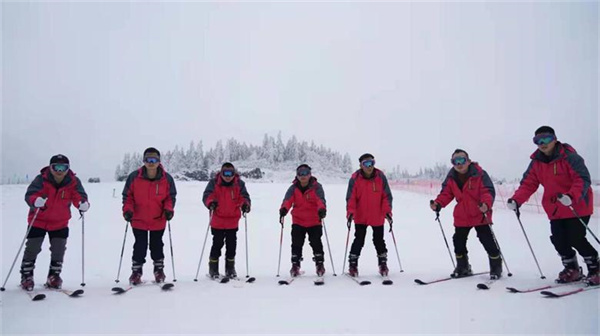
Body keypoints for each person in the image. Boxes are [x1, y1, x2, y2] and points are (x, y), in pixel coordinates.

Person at [508, 126, 598, 286]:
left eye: (546, 139)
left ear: (555, 139)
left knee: (575, 237)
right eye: (538, 141)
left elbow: (582, 179)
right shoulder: (536, 162)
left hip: (576, 205)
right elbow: (528, 183)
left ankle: (596, 268)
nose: (542, 143)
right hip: (555, 208)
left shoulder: (570, 157)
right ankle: (572, 269)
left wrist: (571, 196)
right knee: (558, 239)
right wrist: (517, 200)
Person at [20, 154, 90, 290]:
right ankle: (26, 276)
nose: (59, 171)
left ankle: (54, 276)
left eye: (63, 167)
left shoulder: (73, 181)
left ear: (68, 168)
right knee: (32, 249)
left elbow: (79, 195)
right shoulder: (41, 179)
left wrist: (82, 204)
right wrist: (35, 201)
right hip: (38, 220)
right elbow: (30, 194)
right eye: (56, 167)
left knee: (58, 250)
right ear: (50, 168)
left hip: (60, 221)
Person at [430, 149, 502, 279]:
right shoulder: (451, 177)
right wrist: (438, 203)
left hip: (480, 213)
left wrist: (486, 204)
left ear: (468, 161)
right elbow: (446, 193)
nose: (459, 164)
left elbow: (487, 191)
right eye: (455, 161)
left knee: (487, 240)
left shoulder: (479, 174)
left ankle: (496, 266)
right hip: (462, 215)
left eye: (462, 160)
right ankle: (463, 266)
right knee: (458, 240)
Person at [122, 147, 176, 285]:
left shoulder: (167, 178)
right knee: (140, 245)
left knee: (157, 245)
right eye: (148, 159)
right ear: (144, 161)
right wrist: (127, 210)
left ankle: (159, 271)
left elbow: (170, 197)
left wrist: (168, 209)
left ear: (159, 161)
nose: (151, 162)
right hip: (138, 219)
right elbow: (128, 197)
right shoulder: (134, 177)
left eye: (154, 160)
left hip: (158, 219)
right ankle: (136, 272)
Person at [345, 153, 393, 277]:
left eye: (371, 163)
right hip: (361, 216)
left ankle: (383, 263)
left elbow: (386, 196)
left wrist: (387, 211)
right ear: (361, 165)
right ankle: (353, 264)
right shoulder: (355, 178)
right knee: (359, 240)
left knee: (379, 240)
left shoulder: (380, 176)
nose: (369, 166)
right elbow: (351, 198)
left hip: (377, 215)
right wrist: (350, 212)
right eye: (366, 163)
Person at [203, 162, 251, 279]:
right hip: (217, 220)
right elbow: (207, 196)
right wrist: (211, 203)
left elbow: (244, 197)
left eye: (231, 173)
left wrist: (245, 205)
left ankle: (230, 268)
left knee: (231, 245)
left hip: (232, 221)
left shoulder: (239, 184)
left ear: (234, 174)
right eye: (226, 173)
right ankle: (213, 268)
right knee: (217, 244)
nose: (228, 176)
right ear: (221, 172)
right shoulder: (214, 183)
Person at [279, 164, 327, 277]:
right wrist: (284, 209)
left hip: (314, 221)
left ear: (310, 174)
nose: (303, 176)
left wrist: (322, 209)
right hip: (298, 221)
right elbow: (287, 200)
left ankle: (320, 264)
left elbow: (320, 200)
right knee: (296, 244)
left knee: (316, 243)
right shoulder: (293, 188)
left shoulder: (317, 187)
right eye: (300, 173)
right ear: (297, 175)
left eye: (305, 173)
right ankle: (295, 265)